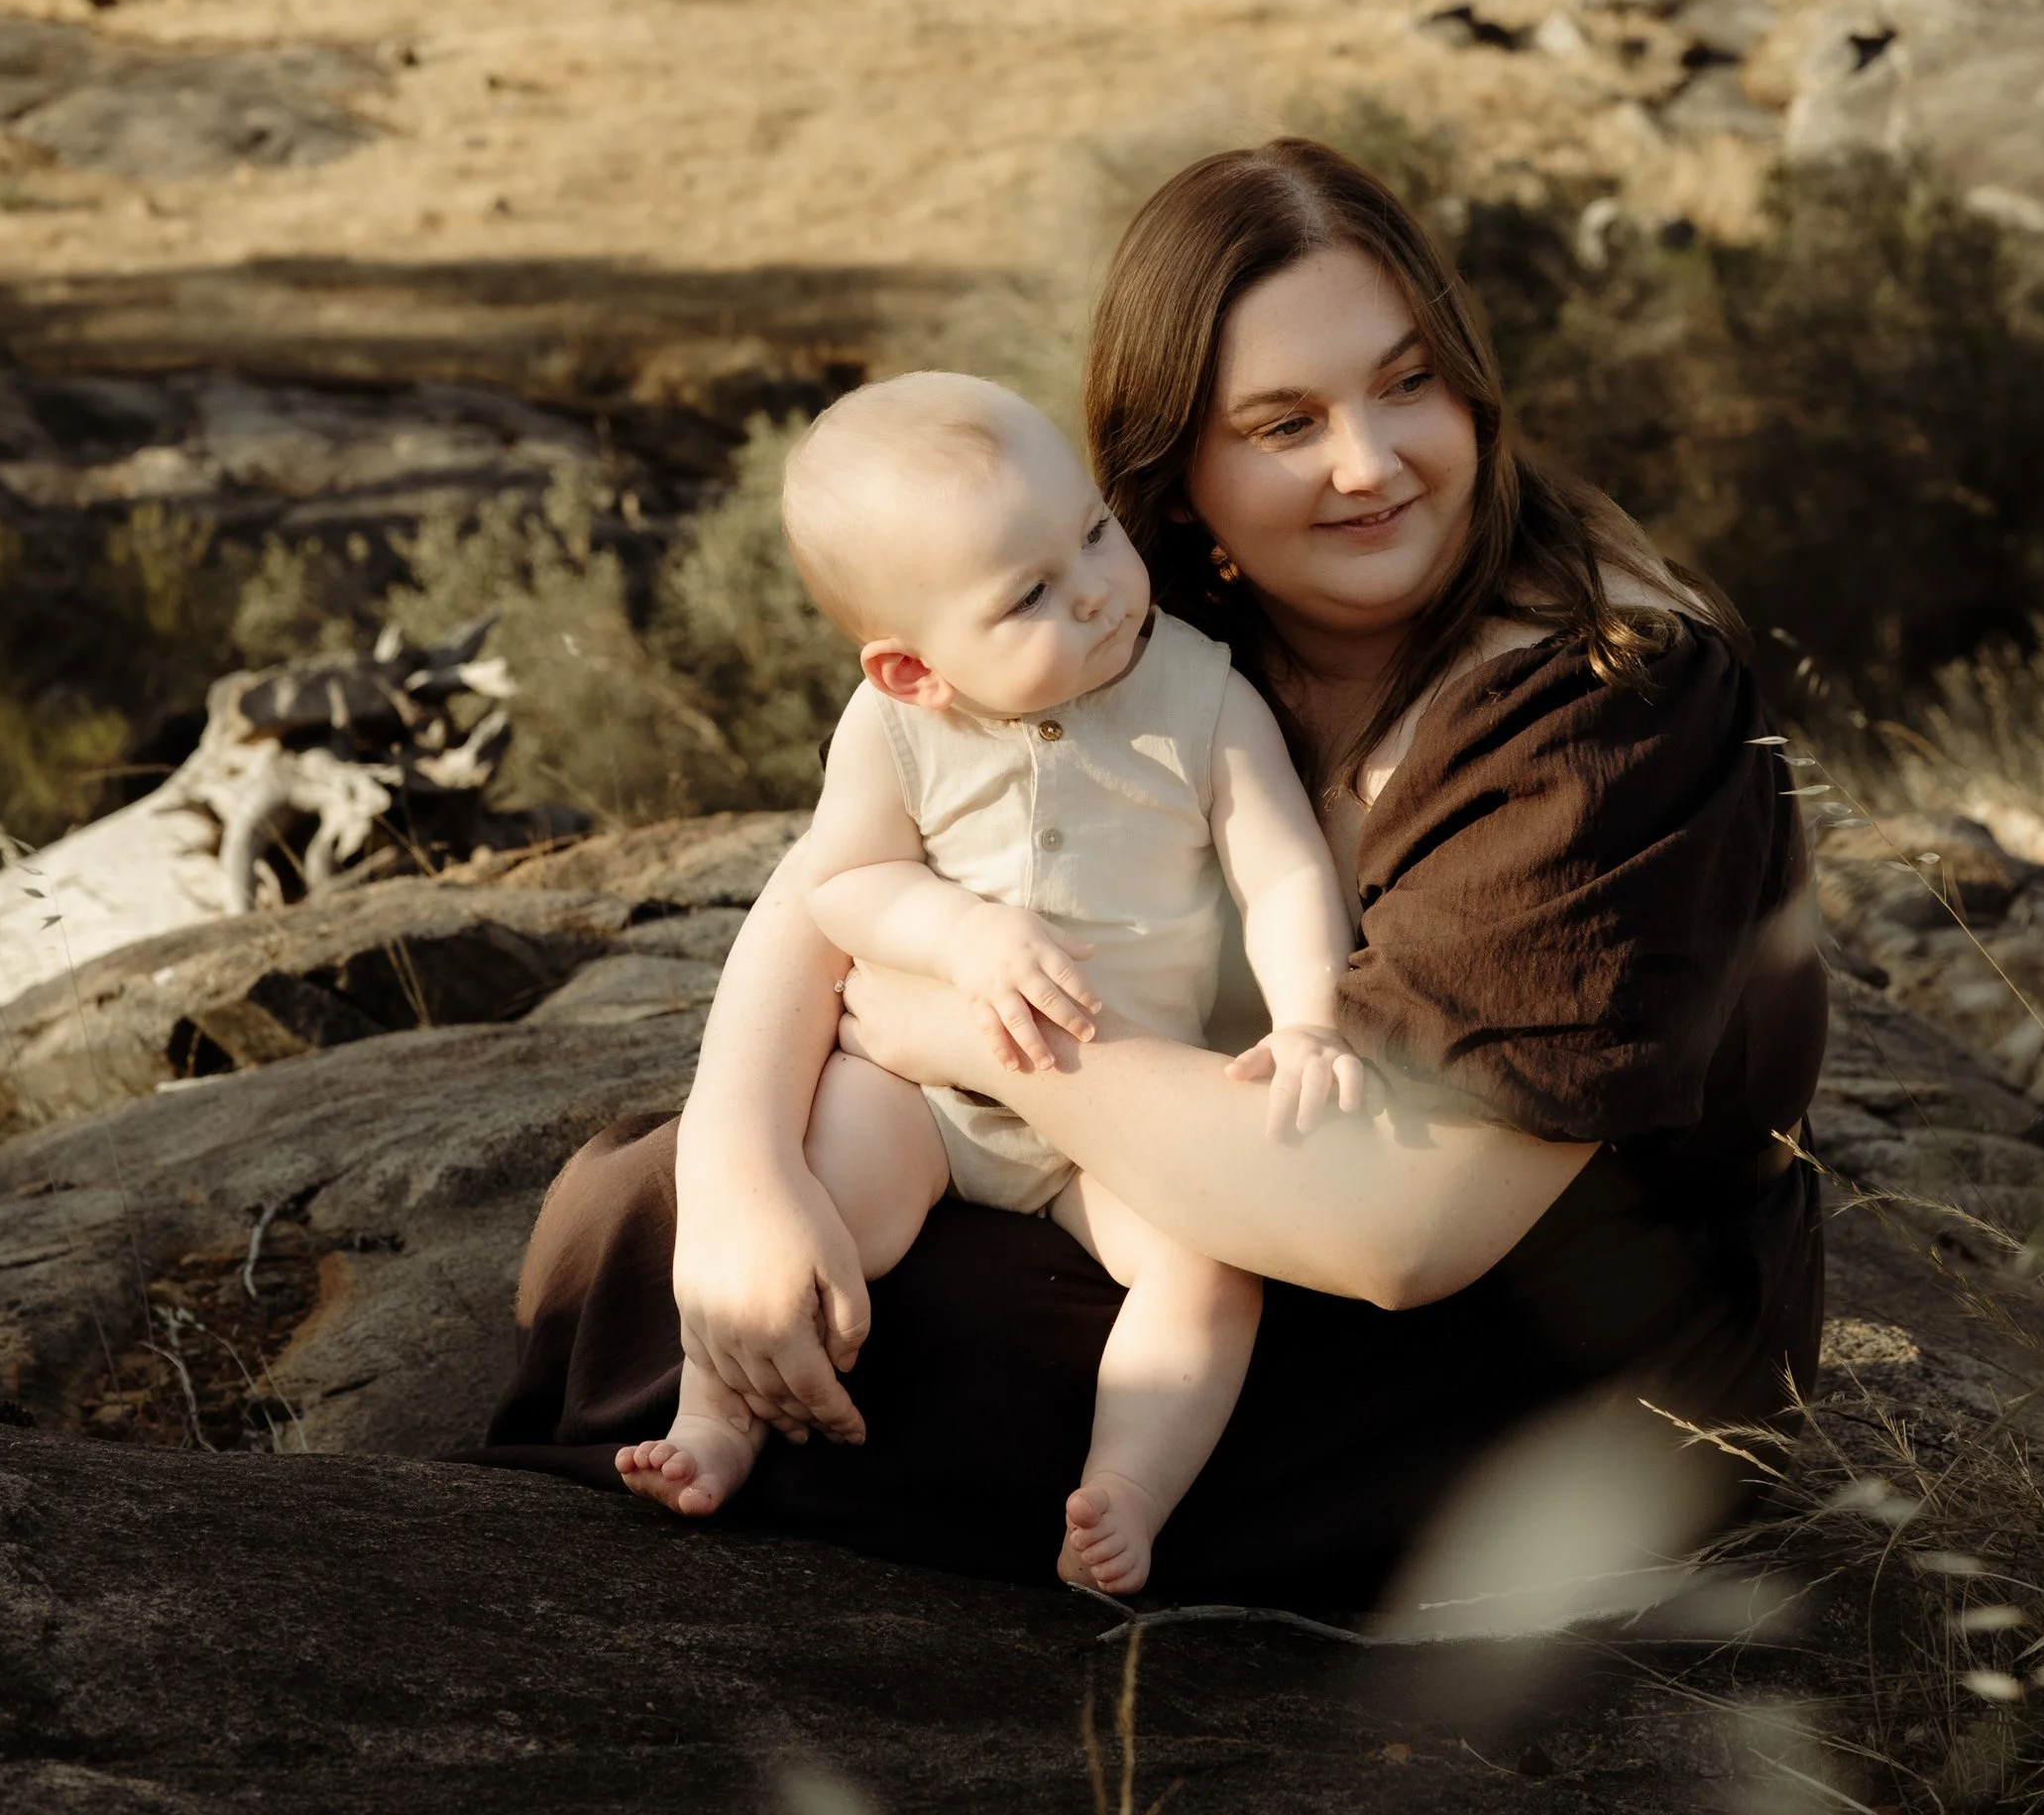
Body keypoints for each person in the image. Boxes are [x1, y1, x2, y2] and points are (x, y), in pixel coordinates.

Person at [477, 140, 1826, 1612]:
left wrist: (964, 1036)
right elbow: (835, 878)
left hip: (1520, 1326)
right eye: (1283, 421)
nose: (1369, 461)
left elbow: (1400, 1226)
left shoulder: (1606, 696)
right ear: (1179, 464)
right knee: (658, 1209)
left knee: (936, 1342)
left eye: (1409, 381)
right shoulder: (1126, 611)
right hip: (1201, 1174)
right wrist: (744, 1178)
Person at [613, 370, 1365, 1595]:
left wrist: (1311, 1021)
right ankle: (719, 1414)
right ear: (913, 670)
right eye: (1030, 596)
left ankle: (1125, 1487)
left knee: (1210, 1265)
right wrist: (960, 934)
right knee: (816, 1204)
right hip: (928, 1094)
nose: (1097, 591)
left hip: (1129, 1119)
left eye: (1093, 535)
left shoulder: (1200, 692)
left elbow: (1282, 875)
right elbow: (843, 884)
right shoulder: (892, 730)